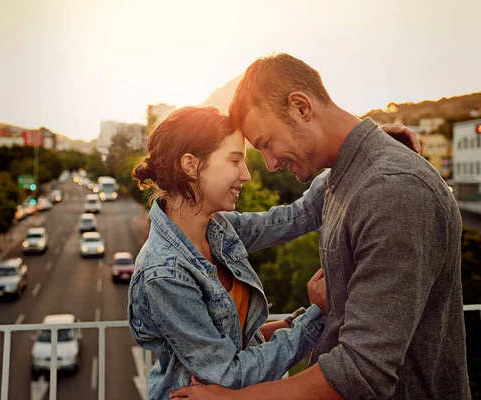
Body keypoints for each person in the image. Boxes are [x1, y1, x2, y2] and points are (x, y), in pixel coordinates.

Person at [170, 54, 470, 400]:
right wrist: (372, 141)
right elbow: (296, 220)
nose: (267, 165)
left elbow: (362, 373)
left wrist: (232, 399)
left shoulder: (393, 189)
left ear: (300, 107)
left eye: (266, 143)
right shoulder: (349, 178)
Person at [128, 106, 420, 400]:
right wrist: (317, 317)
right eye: (235, 161)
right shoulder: (163, 274)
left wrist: (363, 147)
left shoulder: (220, 229)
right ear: (190, 165)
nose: (246, 175)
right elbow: (228, 375)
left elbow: (300, 215)